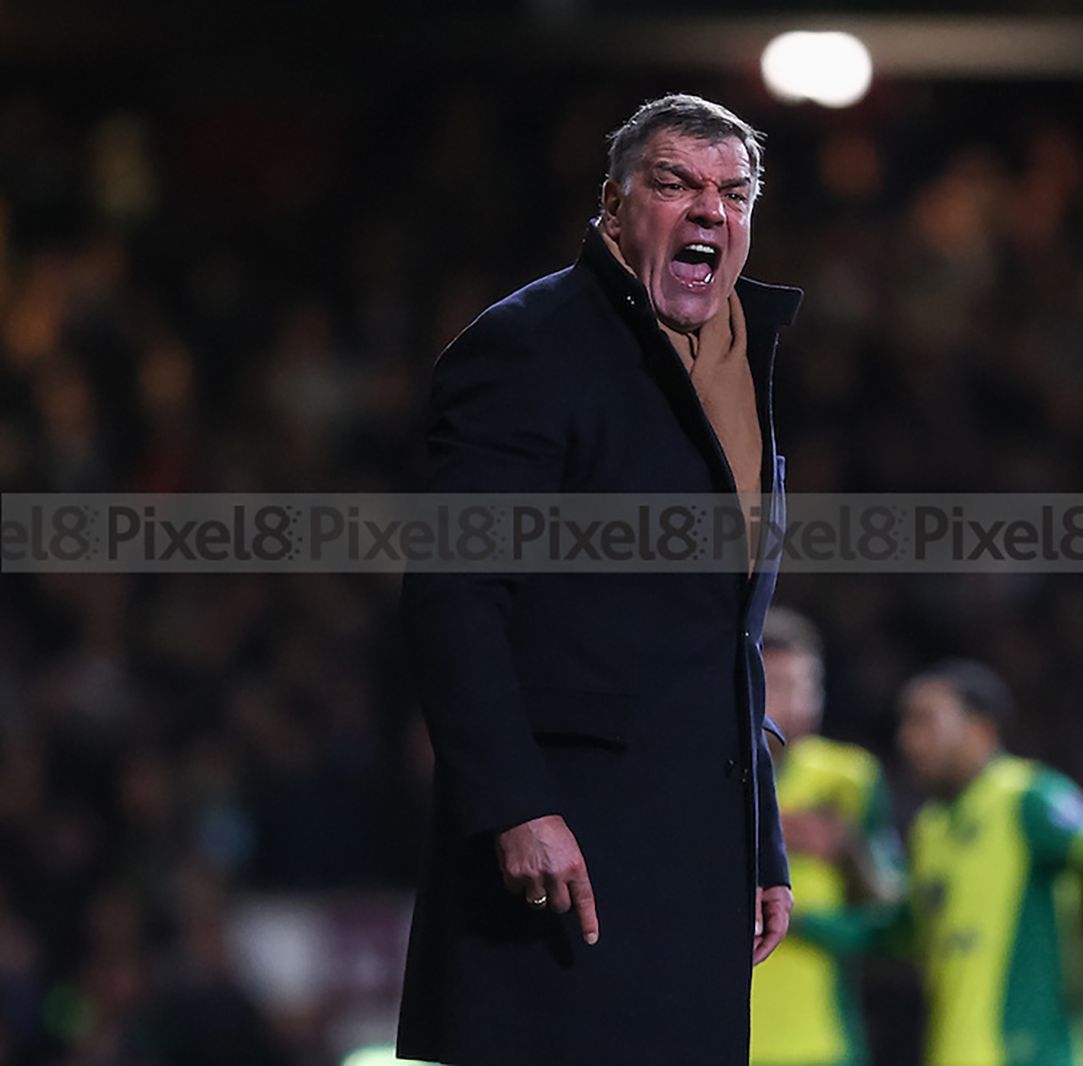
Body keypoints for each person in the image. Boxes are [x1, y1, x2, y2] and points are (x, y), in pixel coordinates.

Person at [396, 94, 802, 1065]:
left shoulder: (738, 360)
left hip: (692, 859)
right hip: (564, 856)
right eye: (676, 184)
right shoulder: (531, 344)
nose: (710, 208)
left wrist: (759, 842)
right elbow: (456, 592)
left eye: (733, 192)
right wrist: (512, 805)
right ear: (613, 209)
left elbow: (723, 640)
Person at [795, 660, 1083, 1066]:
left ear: (981, 730)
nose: (908, 739)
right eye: (905, 724)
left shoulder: (1024, 797)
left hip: (1032, 1054)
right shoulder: (930, 830)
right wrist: (798, 921)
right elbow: (902, 932)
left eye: (926, 721)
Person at [750, 608, 903, 1066]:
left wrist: (849, 851)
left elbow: (892, 921)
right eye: (779, 685)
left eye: (809, 686)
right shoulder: (708, 777)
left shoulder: (849, 778)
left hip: (823, 1044)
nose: (798, 705)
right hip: (725, 1038)